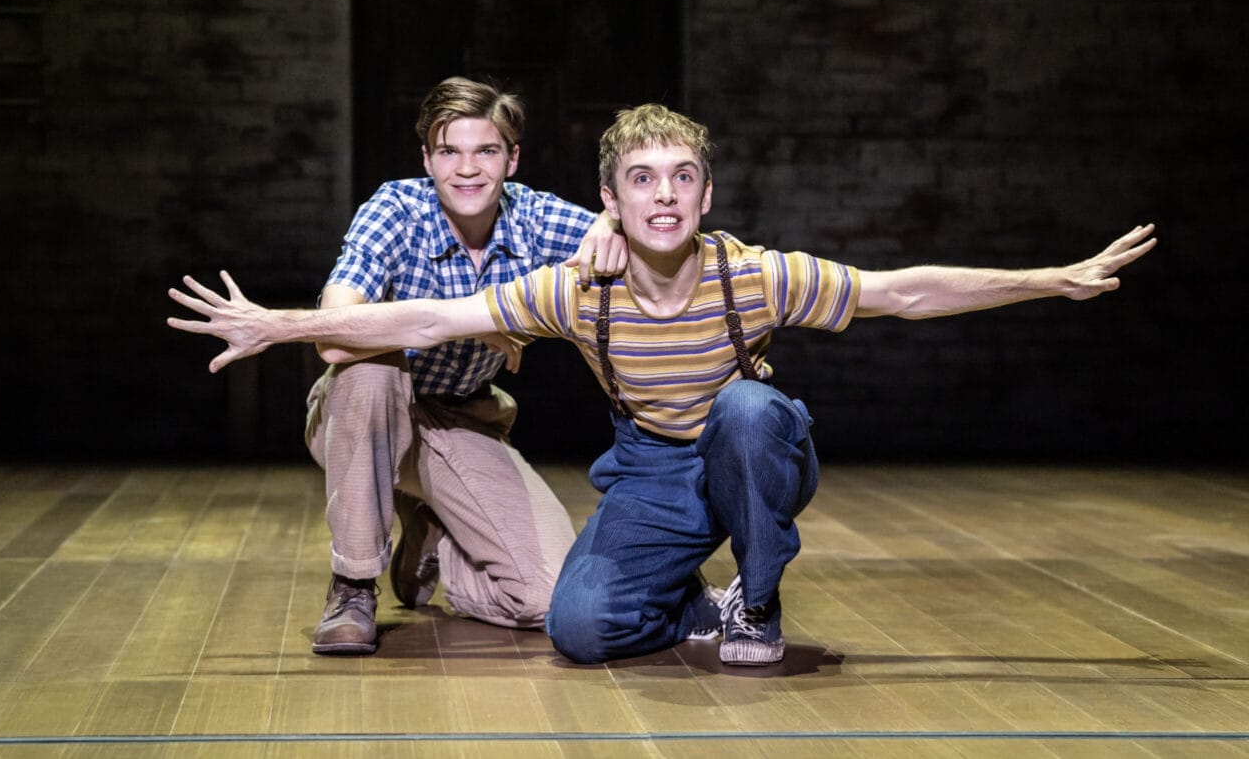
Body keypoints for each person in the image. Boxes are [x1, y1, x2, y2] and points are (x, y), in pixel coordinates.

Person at [169, 104, 1156, 667]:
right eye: (641, 179)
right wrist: (282, 325)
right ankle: (685, 594)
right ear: (609, 199)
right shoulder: (573, 285)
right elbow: (421, 320)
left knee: (746, 406)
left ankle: (755, 606)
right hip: (650, 473)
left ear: (706, 192)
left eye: (681, 176)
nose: (664, 193)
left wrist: (1050, 278)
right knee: (578, 625)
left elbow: (900, 292)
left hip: (748, 445)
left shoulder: (752, 272)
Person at [293, 76, 626, 654]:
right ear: (427, 159)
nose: (467, 169)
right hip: (360, 414)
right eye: (449, 151)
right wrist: (481, 318)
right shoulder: (397, 209)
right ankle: (352, 585)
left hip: (460, 422)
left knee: (549, 598)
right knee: (371, 366)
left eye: (486, 151)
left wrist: (612, 222)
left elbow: (636, 233)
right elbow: (336, 333)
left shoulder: (533, 218)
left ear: (512, 159)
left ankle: (436, 536)